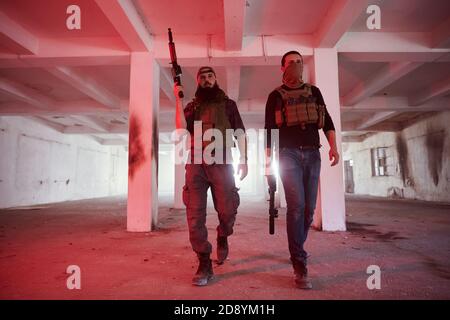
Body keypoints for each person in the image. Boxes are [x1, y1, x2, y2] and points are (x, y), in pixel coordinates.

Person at [264, 51, 339, 289]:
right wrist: (268, 164)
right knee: (296, 207)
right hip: (288, 155)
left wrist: (333, 147)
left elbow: (326, 121)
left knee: (308, 209)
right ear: (282, 68)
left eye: (299, 62)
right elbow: (269, 131)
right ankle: (299, 262)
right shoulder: (275, 96)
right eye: (291, 63)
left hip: (313, 153)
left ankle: (297, 246)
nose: (296, 66)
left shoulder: (314, 92)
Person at [174, 66, 248, 286]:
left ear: (215, 79)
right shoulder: (192, 106)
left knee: (227, 209)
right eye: (202, 78)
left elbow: (240, 132)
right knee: (194, 214)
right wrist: (178, 100)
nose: (206, 80)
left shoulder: (228, 105)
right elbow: (180, 128)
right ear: (198, 82)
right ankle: (204, 261)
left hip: (222, 159)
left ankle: (223, 235)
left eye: (210, 76)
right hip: (196, 161)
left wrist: (244, 159)